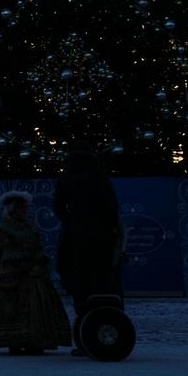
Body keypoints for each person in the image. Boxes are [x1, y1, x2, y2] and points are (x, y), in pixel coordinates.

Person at [0, 191, 72, 355]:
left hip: (33, 275)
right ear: (12, 210)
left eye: (25, 209)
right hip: (12, 276)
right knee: (12, 307)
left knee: (35, 306)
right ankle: (15, 340)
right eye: (21, 209)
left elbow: (39, 248)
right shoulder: (5, 229)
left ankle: (36, 340)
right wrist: (7, 270)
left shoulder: (30, 228)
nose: (24, 212)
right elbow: (1, 252)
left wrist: (39, 264)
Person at [55, 149, 125, 353]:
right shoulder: (101, 179)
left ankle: (86, 330)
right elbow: (112, 208)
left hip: (76, 239)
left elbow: (59, 206)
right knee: (104, 284)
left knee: (81, 285)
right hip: (103, 239)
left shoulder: (67, 178)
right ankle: (106, 326)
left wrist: (71, 222)